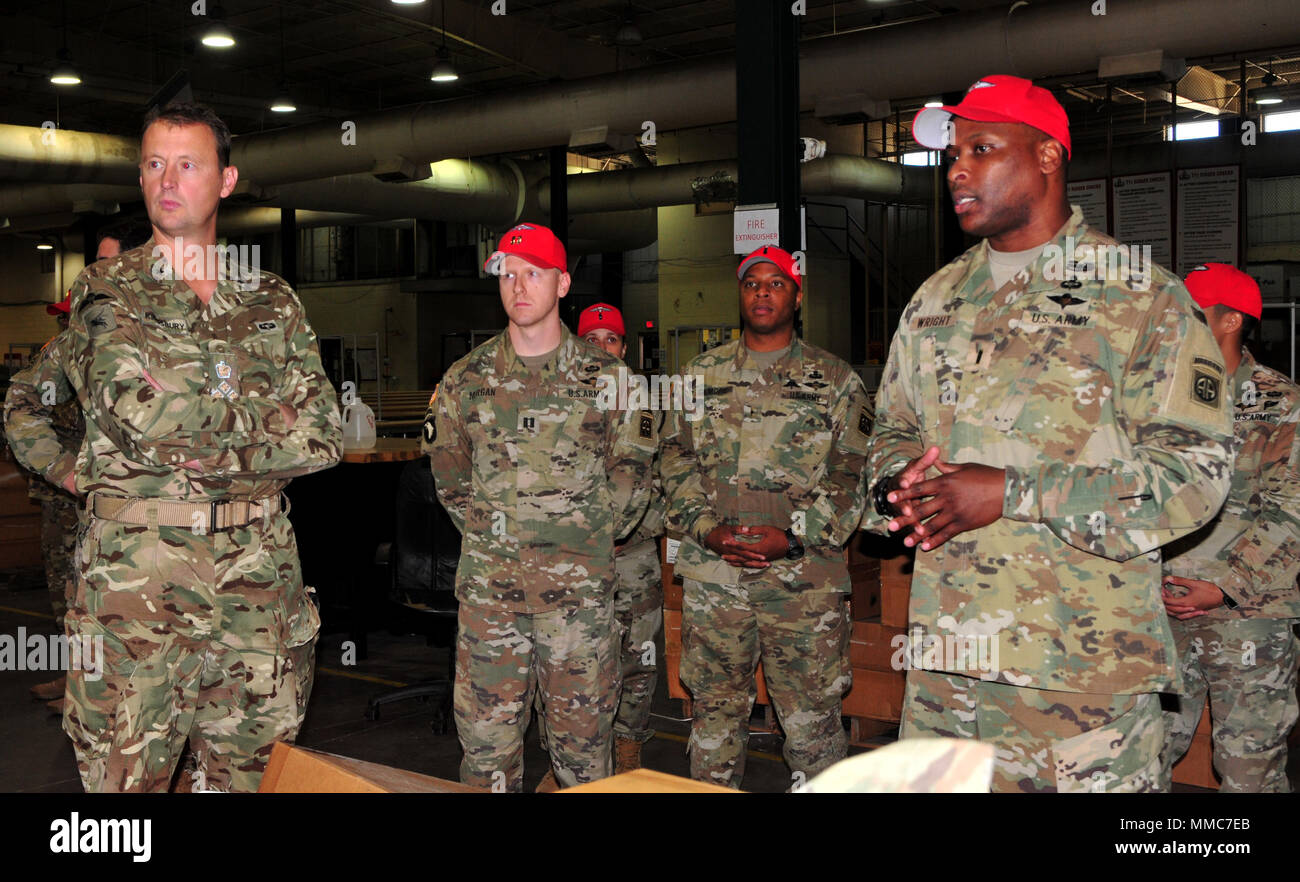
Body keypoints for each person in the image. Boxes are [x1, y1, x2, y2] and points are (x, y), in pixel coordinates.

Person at [864, 74, 1235, 792]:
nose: (957, 171)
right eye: (951, 157)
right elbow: (892, 427)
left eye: (981, 148)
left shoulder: (1141, 298)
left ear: (1047, 157)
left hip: (1076, 681)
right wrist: (894, 486)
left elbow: (1193, 478)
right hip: (947, 672)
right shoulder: (937, 300)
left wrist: (1015, 492)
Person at [55, 102, 342, 792]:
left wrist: (202, 434)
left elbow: (325, 432)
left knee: (252, 779)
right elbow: (142, 421)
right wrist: (262, 427)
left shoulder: (271, 300)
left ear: (227, 180)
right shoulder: (104, 292)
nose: (167, 179)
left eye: (187, 164)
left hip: (258, 579)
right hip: (138, 587)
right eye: (154, 164)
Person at [425, 223, 657, 792]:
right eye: (508, 274)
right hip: (490, 605)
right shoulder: (465, 380)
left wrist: (577, 539)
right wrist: (499, 538)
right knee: (485, 759)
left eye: (533, 273)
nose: (518, 286)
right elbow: (450, 480)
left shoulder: (611, 382)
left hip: (577, 607)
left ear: (562, 283)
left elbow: (632, 478)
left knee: (582, 762)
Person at [660, 244, 871, 789]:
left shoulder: (836, 380)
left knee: (811, 724)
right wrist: (707, 531)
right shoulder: (699, 375)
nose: (762, 292)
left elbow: (854, 475)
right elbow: (673, 459)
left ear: (797, 297)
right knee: (714, 720)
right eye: (752, 283)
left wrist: (795, 535)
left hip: (803, 587)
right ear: (740, 294)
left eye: (776, 283)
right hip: (716, 578)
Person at [1160, 263, 1300, 792]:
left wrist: (1225, 587)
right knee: (1140, 755)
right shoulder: (1157, 400)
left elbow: (1293, 510)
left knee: (1248, 770)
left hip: (1246, 617)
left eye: (1188, 311)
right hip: (1160, 611)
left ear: (1230, 320)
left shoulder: (1280, 404)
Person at [5, 218, 152, 714]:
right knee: (74, 597)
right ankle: (83, 686)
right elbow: (22, 403)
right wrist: (66, 471)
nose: (99, 276)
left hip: (190, 536)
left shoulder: (195, 328)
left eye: (109, 264)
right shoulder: (80, 343)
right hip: (100, 517)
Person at [532, 303, 666, 792]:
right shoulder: (553, 401)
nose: (602, 349)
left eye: (611, 340)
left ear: (624, 349)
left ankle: (627, 749)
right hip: (567, 560)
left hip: (630, 554)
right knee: (565, 660)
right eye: (592, 340)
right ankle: (564, 760)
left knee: (635, 658)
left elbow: (653, 473)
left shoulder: (643, 402)